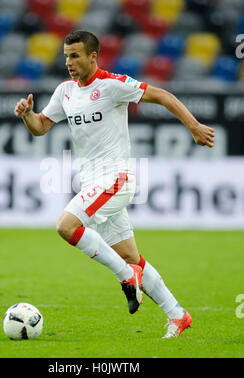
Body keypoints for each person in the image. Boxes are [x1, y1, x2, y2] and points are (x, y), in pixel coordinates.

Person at [14, 30, 215, 338]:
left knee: (66, 226)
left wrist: (194, 126)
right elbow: (40, 127)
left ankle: (126, 278)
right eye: (66, 55)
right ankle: (178, 315)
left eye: (75, 55)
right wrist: (28, 115)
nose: (68, 62)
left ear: (93, 56)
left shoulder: (112, 85)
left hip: (117, 178)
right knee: (131, 256)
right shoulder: (65, 91)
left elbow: (163, 96)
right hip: (93, 182)